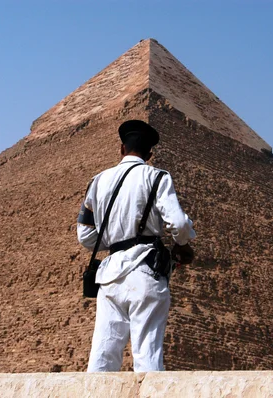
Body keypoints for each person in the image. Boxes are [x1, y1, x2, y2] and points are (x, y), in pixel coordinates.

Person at [77, 119, 196, 372]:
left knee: (102, 358)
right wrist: (182, 245)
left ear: (121, 148)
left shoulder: (97, 181)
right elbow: (178, 223)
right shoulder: (157, 177)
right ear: (150, 154)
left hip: (108, 278)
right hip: (146, 272)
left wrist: (114, 237)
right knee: (147, 356)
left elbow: (85, 235)